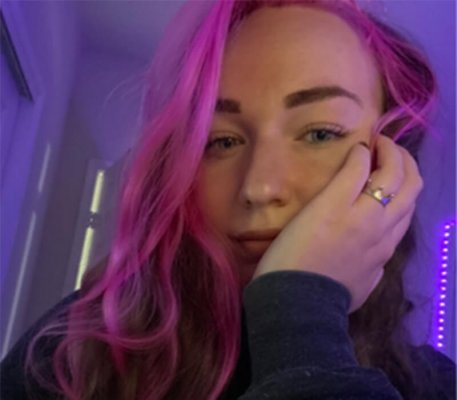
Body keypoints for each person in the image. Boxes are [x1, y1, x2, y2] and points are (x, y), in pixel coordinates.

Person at [1, 0, 455, 399]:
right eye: (220, 141)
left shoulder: (436, 386)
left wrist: (301, 310)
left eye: (320, 133)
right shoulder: (70, 354)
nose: (258, 188)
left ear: (391, 164)